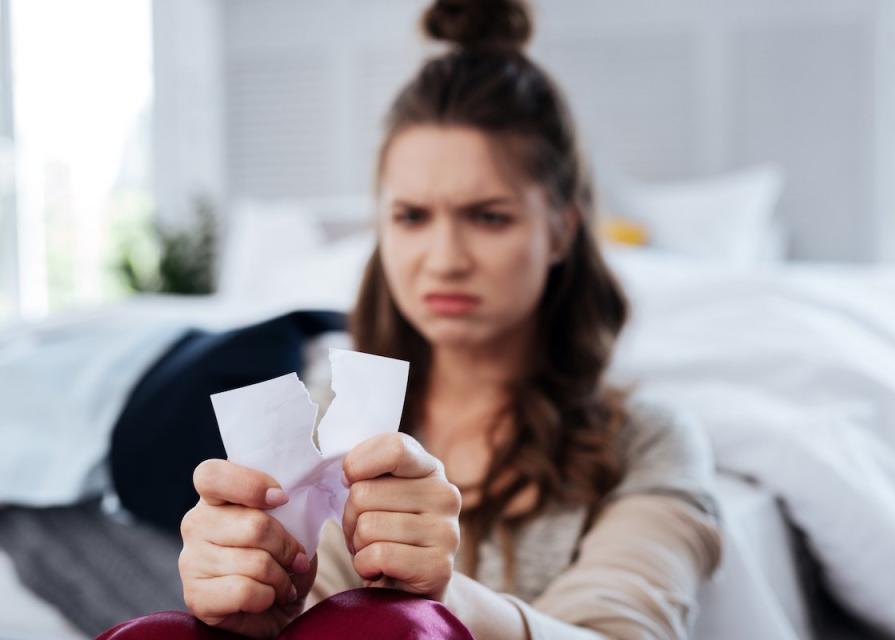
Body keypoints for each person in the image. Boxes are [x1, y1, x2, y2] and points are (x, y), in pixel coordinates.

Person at [173, 1, 722, 638]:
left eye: (489, 216)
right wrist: (249, 603)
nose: (444, 260)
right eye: (411, 217)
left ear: (562, 230)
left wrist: (437, 602)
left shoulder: (650, 444)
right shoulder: (325, 427)